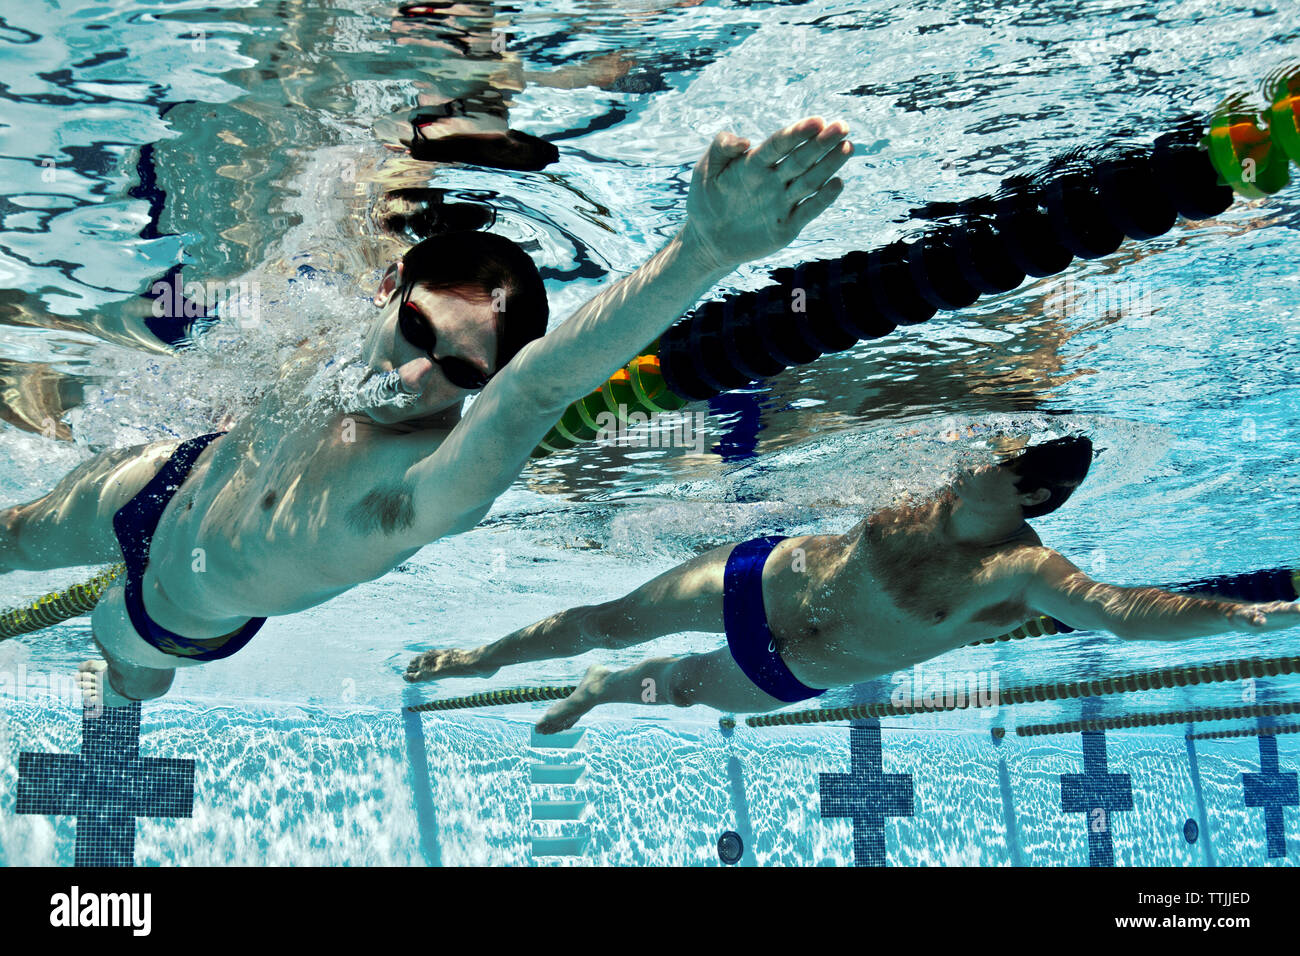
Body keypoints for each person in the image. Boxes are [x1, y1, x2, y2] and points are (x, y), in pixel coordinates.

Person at [0, 116, 854, 707]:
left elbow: (536, 389)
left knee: (129, 661)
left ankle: (127, 693)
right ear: (388, 287)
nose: (416, 380)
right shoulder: (347, 321)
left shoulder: (418, 488)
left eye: (457, 371)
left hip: (181, 605)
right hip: (178, 475)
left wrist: (701, 248)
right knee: (12, 535)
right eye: (414, 330)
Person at [404, 435, 1300, 733]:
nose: (971, 458)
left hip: (798, 673)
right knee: (609, 619)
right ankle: (484, 658)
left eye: (994, 460)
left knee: (671, 687)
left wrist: (1239, 619)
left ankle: (601, 695)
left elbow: (1123, 617)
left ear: (1030, 492)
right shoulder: (928, 485)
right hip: (764, 580)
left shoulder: (1022, 569)